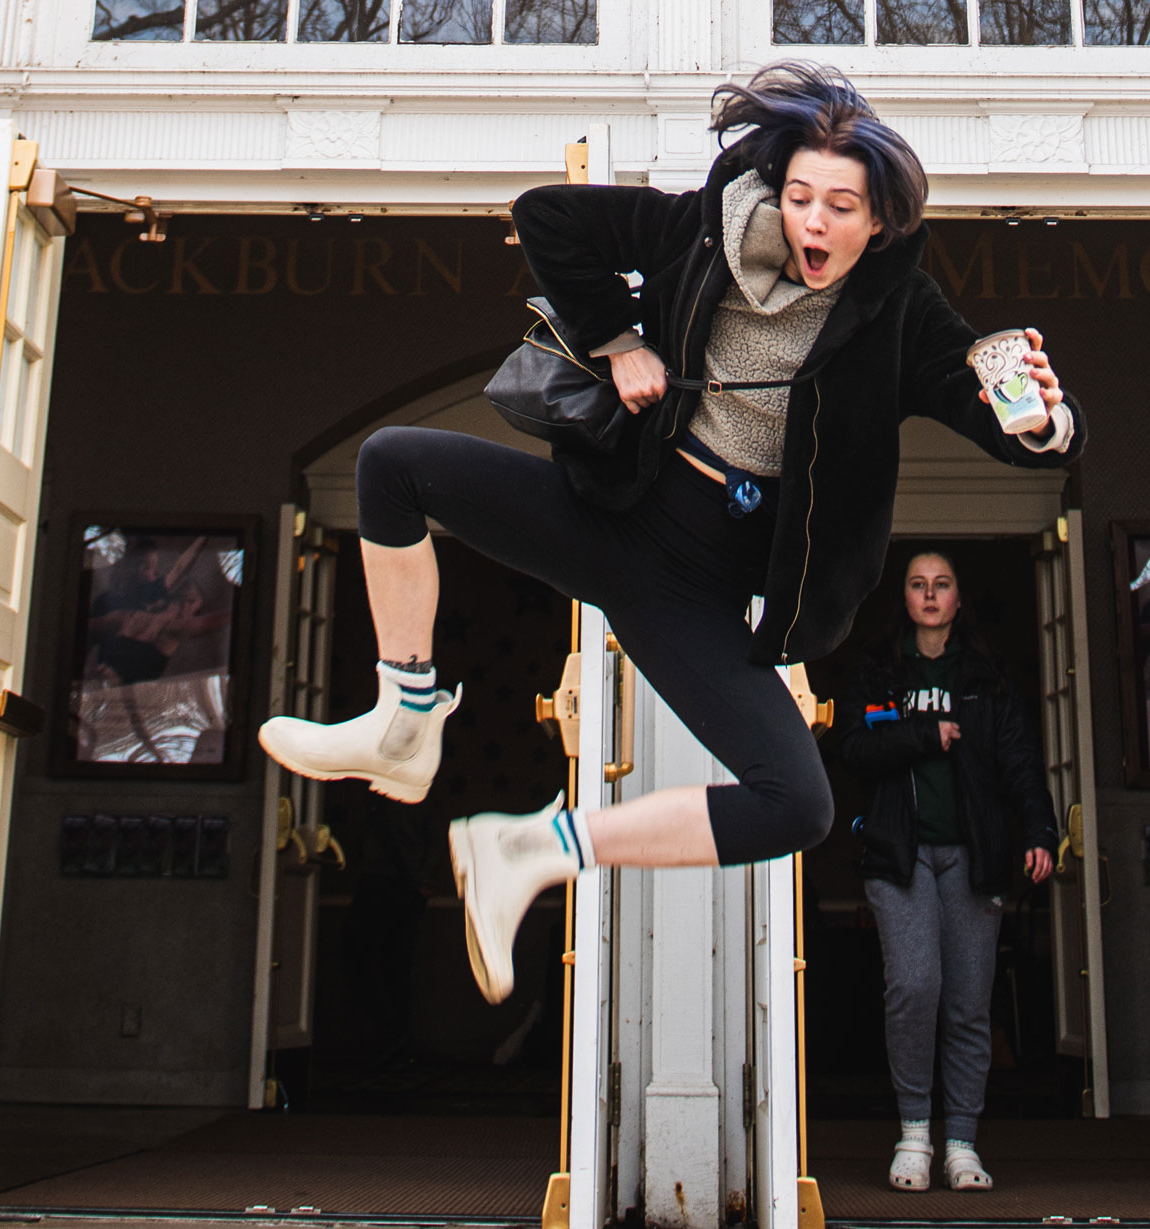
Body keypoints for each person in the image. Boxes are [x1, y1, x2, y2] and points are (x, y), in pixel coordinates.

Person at [258, 62, 1086, 1007]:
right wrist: (620, 341)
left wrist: (1042, 424)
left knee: (799, 804)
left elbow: (994, 418)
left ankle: (529, 846)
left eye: (841, 207)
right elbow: (548, 218)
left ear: (881, 220)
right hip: (609, 512)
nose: (813, 224)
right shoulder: (705, 228)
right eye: (801, 196)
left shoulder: (903, 313)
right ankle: (404, 721)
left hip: (689, 588)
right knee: (391, 465)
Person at [834, 550, 1058, 1193]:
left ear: (958, 599)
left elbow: (1018, 759)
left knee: (966, 1004)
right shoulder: (880, 671)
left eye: (942, 585)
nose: (930, 596)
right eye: (917, 585)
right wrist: (923, 735)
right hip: (899, 857)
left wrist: (1039, 830)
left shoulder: (985, 674)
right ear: (903, 598)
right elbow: (852, 746)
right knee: (914, 987)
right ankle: (913, 1136)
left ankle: (961, 1142)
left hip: (973, 857)